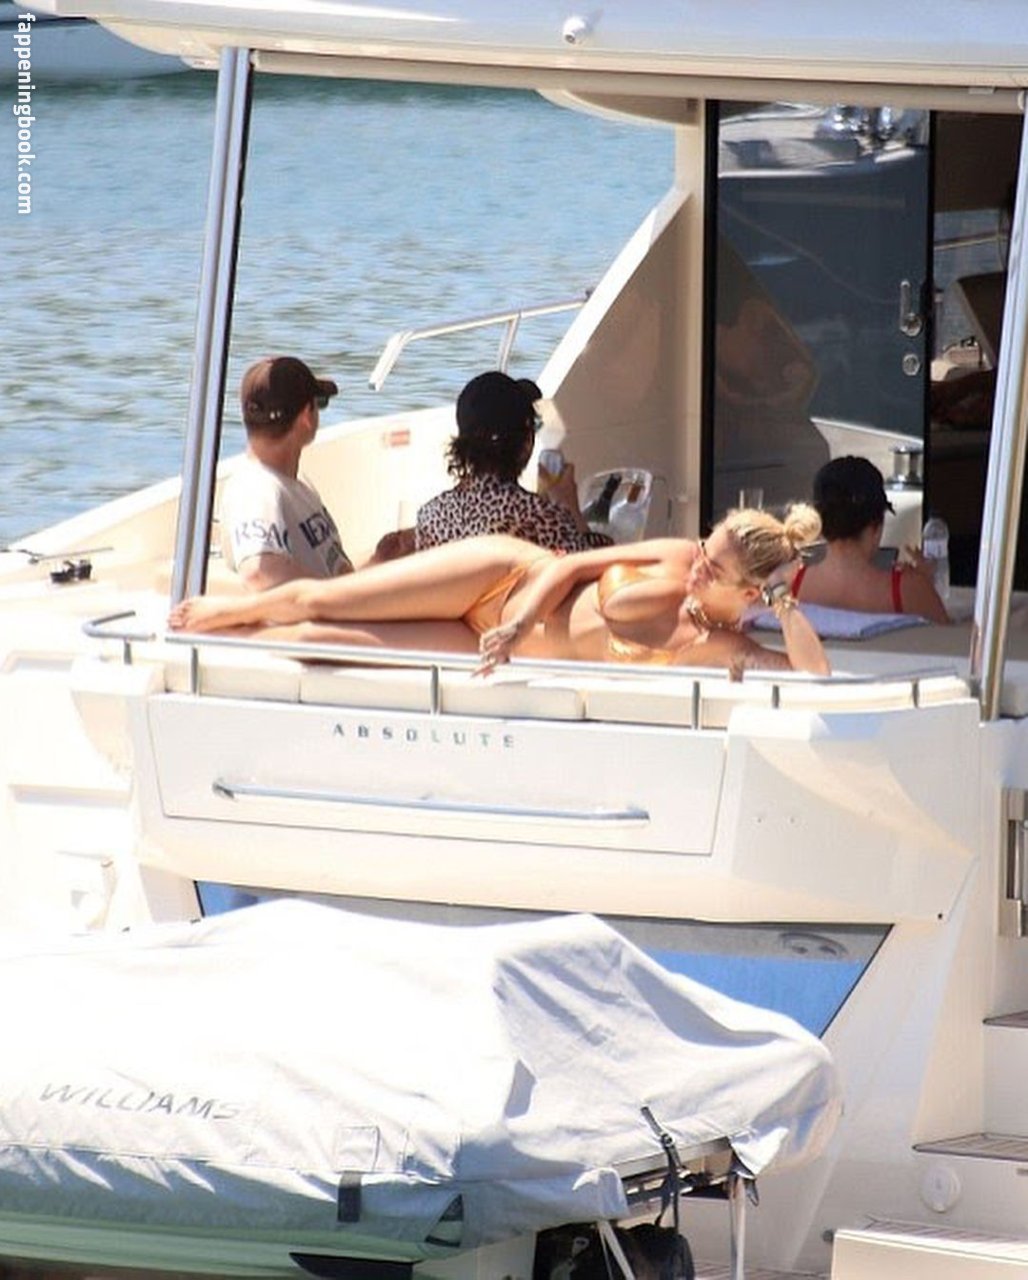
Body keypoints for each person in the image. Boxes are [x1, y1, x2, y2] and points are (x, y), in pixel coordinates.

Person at [169, 505, 831, 678]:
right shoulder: (677, 555)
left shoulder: (725, 647)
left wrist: (783, 599)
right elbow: (570, 567)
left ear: (750, 594)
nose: (697, 567)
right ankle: (236, 609)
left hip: (484, 645)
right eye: (705, 550)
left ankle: (250, 634)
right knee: (324, 599)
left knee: (319, 641)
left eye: (713, 571)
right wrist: (515, 625)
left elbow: (814, 672)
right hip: (505, 578)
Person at [413, 370, 613, 553]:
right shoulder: (541, 517)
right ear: (525, 442)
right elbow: (593, 568)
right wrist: (570, 508)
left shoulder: (430, 517)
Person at [218, 355, 354, 590]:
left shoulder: (294, 483)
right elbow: (259, 572)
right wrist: (339, 597)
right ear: (306, 416)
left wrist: (379, 561)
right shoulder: (256, 490)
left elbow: (326, 567)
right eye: (319, 403)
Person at [791, 455, 949, 624]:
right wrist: (926, 583)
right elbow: (947, 636)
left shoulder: (788, 583)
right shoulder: (909, 590)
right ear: (876, 526)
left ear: (818, 524)